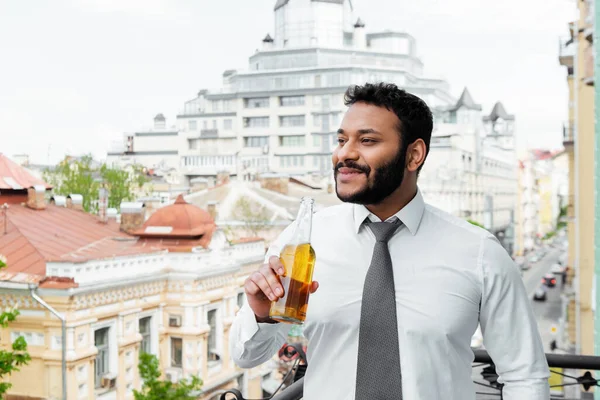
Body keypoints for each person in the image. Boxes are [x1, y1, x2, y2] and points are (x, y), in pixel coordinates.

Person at [229, 82, 549, 399]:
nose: (344, 153)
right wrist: (261, 313)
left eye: (366, 140)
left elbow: (525, 377)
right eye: (342, 139)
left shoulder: (480, 253)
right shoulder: (302, 240)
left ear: (414, 155)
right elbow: (247, 357)